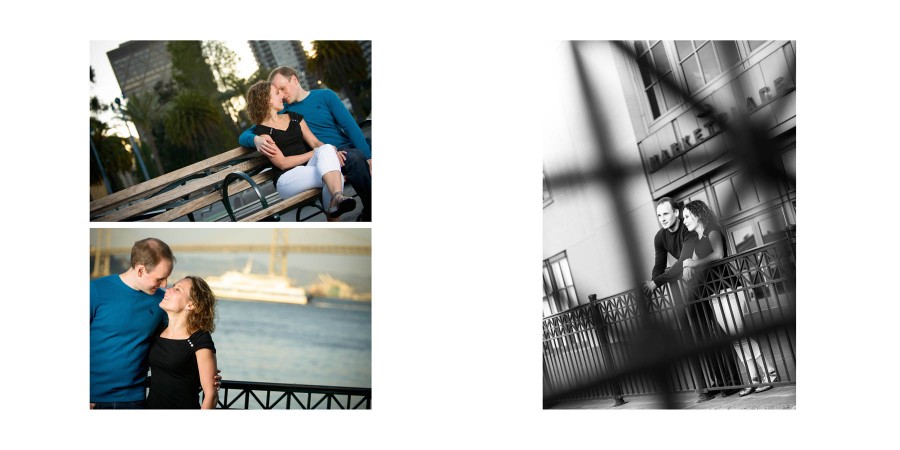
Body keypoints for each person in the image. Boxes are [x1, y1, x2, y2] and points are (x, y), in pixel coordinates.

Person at [90, 238, 219, 409]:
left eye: (167, 278)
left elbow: (180, 339)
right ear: (141, 270)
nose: (165, 285)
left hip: (136, 400)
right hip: (93, 398)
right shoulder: (96, 291)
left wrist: (205, 372)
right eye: (160, 278)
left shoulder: (162, 302)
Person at [239, 66, 372, 222]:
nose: (281, 94)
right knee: (352, 159)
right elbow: (247, 134)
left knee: (359, 151)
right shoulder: (283, 111)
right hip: (320, 161)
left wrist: (369, 157)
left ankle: (357, 210)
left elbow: (350, 126)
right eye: (277, 92)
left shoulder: (325, 96)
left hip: (337, 151)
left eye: (282, 88)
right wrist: (255, 139)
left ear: (294, 80)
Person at [641, 198, 741, 402]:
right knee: (702, 337)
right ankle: (716, 382)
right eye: (659, 215)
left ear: (676, 213)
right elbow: (659, 265)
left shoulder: (688, 229)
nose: (663, 219)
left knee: (720, 333)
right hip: (690, 290)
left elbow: (681, 263)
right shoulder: (660, 237)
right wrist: (652, 282)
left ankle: (732, 380)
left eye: (666, 214)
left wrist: (657, 283)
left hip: (707, 283)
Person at [680, 200, 779, 397]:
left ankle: (769, 373)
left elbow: (718, 254)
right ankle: (754, 379)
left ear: (697, 214)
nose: (684, 221)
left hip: (729, 287)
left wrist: (694, 262)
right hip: (714, 292)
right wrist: (688, 266)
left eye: (686, 217)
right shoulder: (697, 239)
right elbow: (694, 262)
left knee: (739, 334)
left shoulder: (712, 230)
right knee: (735, 338)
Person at [146, 276, 219, 409]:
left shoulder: (199, 339)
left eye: (177, 289)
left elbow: (211, 395)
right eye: (173, 287)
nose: (168, 290)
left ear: (191, 305)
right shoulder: (157, 331)